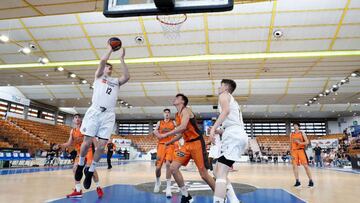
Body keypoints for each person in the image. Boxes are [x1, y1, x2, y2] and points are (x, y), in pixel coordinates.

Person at [74, 42, 130, 190]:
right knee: (86, 143)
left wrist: (122, 59)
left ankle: (90, 169)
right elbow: (102, 61)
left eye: (110, 68)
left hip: (109, 114)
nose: (108, 68)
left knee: (101, 146)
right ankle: (81, 164)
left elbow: (127, 76)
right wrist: (109, 50)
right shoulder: (98, 77)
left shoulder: (115, 82)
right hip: (95, 111)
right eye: (107, 66)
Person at [158, 94, 215, 203]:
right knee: (173, 168)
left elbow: (183, 126)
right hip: (186, 144)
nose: (174, 98)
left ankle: (220, 197)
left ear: (182, 101)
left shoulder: (187, 111)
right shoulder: (176, 115)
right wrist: (168, 142)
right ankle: (186, 195)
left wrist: (165, 135)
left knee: (204, 174)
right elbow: (181, 133)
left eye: (177, 97)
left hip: (197, 143)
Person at [209, 79, 248, 203]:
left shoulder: (224, 95)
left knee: (220, 173)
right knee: (217, 171)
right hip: (236, 134)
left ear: (225, 87)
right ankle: (234, 200)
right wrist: (218, 131)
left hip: (234, 136)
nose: (218, 88)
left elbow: (226, 112)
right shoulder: (233, 101)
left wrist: (214, 128)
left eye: (220, 86)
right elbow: (231, 123)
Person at [59, 114, 103, 198]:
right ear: (73, 120)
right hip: (79, 152)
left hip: (89, 151)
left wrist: (97, 147)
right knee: (75, 169)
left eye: (79, 117)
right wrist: (60, 145)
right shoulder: (73, 131)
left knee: (91, 170)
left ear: (81, 120)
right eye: (75, 117)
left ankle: (98, 187)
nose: (77, 119)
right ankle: (78, 191)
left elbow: (93, 138)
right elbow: (69, 143)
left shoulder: (85, 128)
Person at [153, 108, 177, 198]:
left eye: (168, 113)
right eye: (165, 113)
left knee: (168, 164)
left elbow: (178, 130)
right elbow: (155, 130)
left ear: (170, 114)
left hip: (170, 145)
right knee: (158, 167)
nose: (166, 114)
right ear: (163, 114)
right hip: (161, 145)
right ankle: (158, 181)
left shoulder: (173, 122)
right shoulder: (160, 122)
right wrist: (158, 134)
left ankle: (168, 188)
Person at [290, 122, 314, 188]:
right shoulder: (291, 134)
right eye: (294, 125)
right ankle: (297, 181)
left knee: (306, 166)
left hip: (301, 150)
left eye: (296, 125)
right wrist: (290, 152)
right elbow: (290, 144)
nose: (295, 127)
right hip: (294, 152)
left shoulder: (302, 133)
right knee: (294, 167)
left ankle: (311, 181)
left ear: (298, 126)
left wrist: (300, 143)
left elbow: (307, 142)